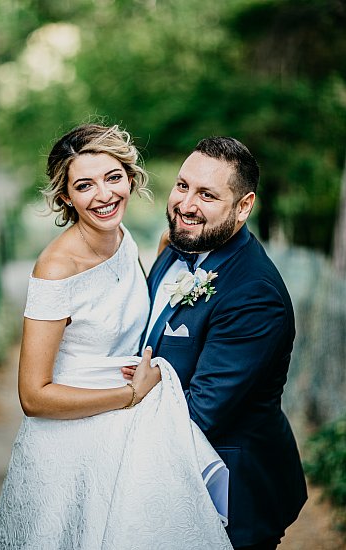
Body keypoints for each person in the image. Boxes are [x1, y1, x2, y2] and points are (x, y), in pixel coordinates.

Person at [0, 123, 233, 549]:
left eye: (113, 177)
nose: (104, 195)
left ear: (130, 176)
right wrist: (130, 396)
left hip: (126, 439)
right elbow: (33, 395)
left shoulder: (124, 239)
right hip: (68, 451)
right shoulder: (56, 270)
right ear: (66, 197)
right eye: (84, 185)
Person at [124, 136, 307, 550]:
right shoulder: (176, 246)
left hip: (229, 492)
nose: (187, 204)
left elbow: (201, 412)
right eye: (183, 185)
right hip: (168, 477)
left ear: (243, 207)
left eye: (207, 194)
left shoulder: (254, 295)